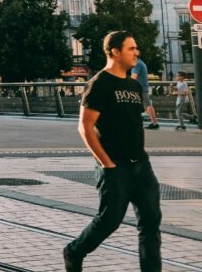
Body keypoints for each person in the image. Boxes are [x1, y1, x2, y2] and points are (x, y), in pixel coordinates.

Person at [64, 31, 161, 272]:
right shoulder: (99, 83)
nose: (136, 53)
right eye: (131, 48)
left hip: (141, 164)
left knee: (151, 222)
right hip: (115, 166)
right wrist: (106, 163)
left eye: (136, 48)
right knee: (109, 221)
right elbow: (85, 127)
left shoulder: (133, 85)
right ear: (115, 52)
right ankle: (74, 251)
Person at [129, 57, 160, 130]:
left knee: (147, 105)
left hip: (140, 88)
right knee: (146, 105)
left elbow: (134, 76)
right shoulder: (141, 63)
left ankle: (154, 123)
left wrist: (126, 83)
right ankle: (154, 122)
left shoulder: (137, 64)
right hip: (141, 87)